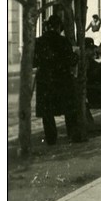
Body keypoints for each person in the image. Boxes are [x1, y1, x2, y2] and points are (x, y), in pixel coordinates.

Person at [33, 14, 78, 145]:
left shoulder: (39, 42)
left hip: (45, 80)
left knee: (47, 112)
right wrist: (76, 55)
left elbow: (33, 62)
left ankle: (51, 139)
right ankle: (72, 135)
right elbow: (71, 60)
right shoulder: (63, 41)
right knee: (69, 109)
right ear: (59, 27)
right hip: (62, 80)